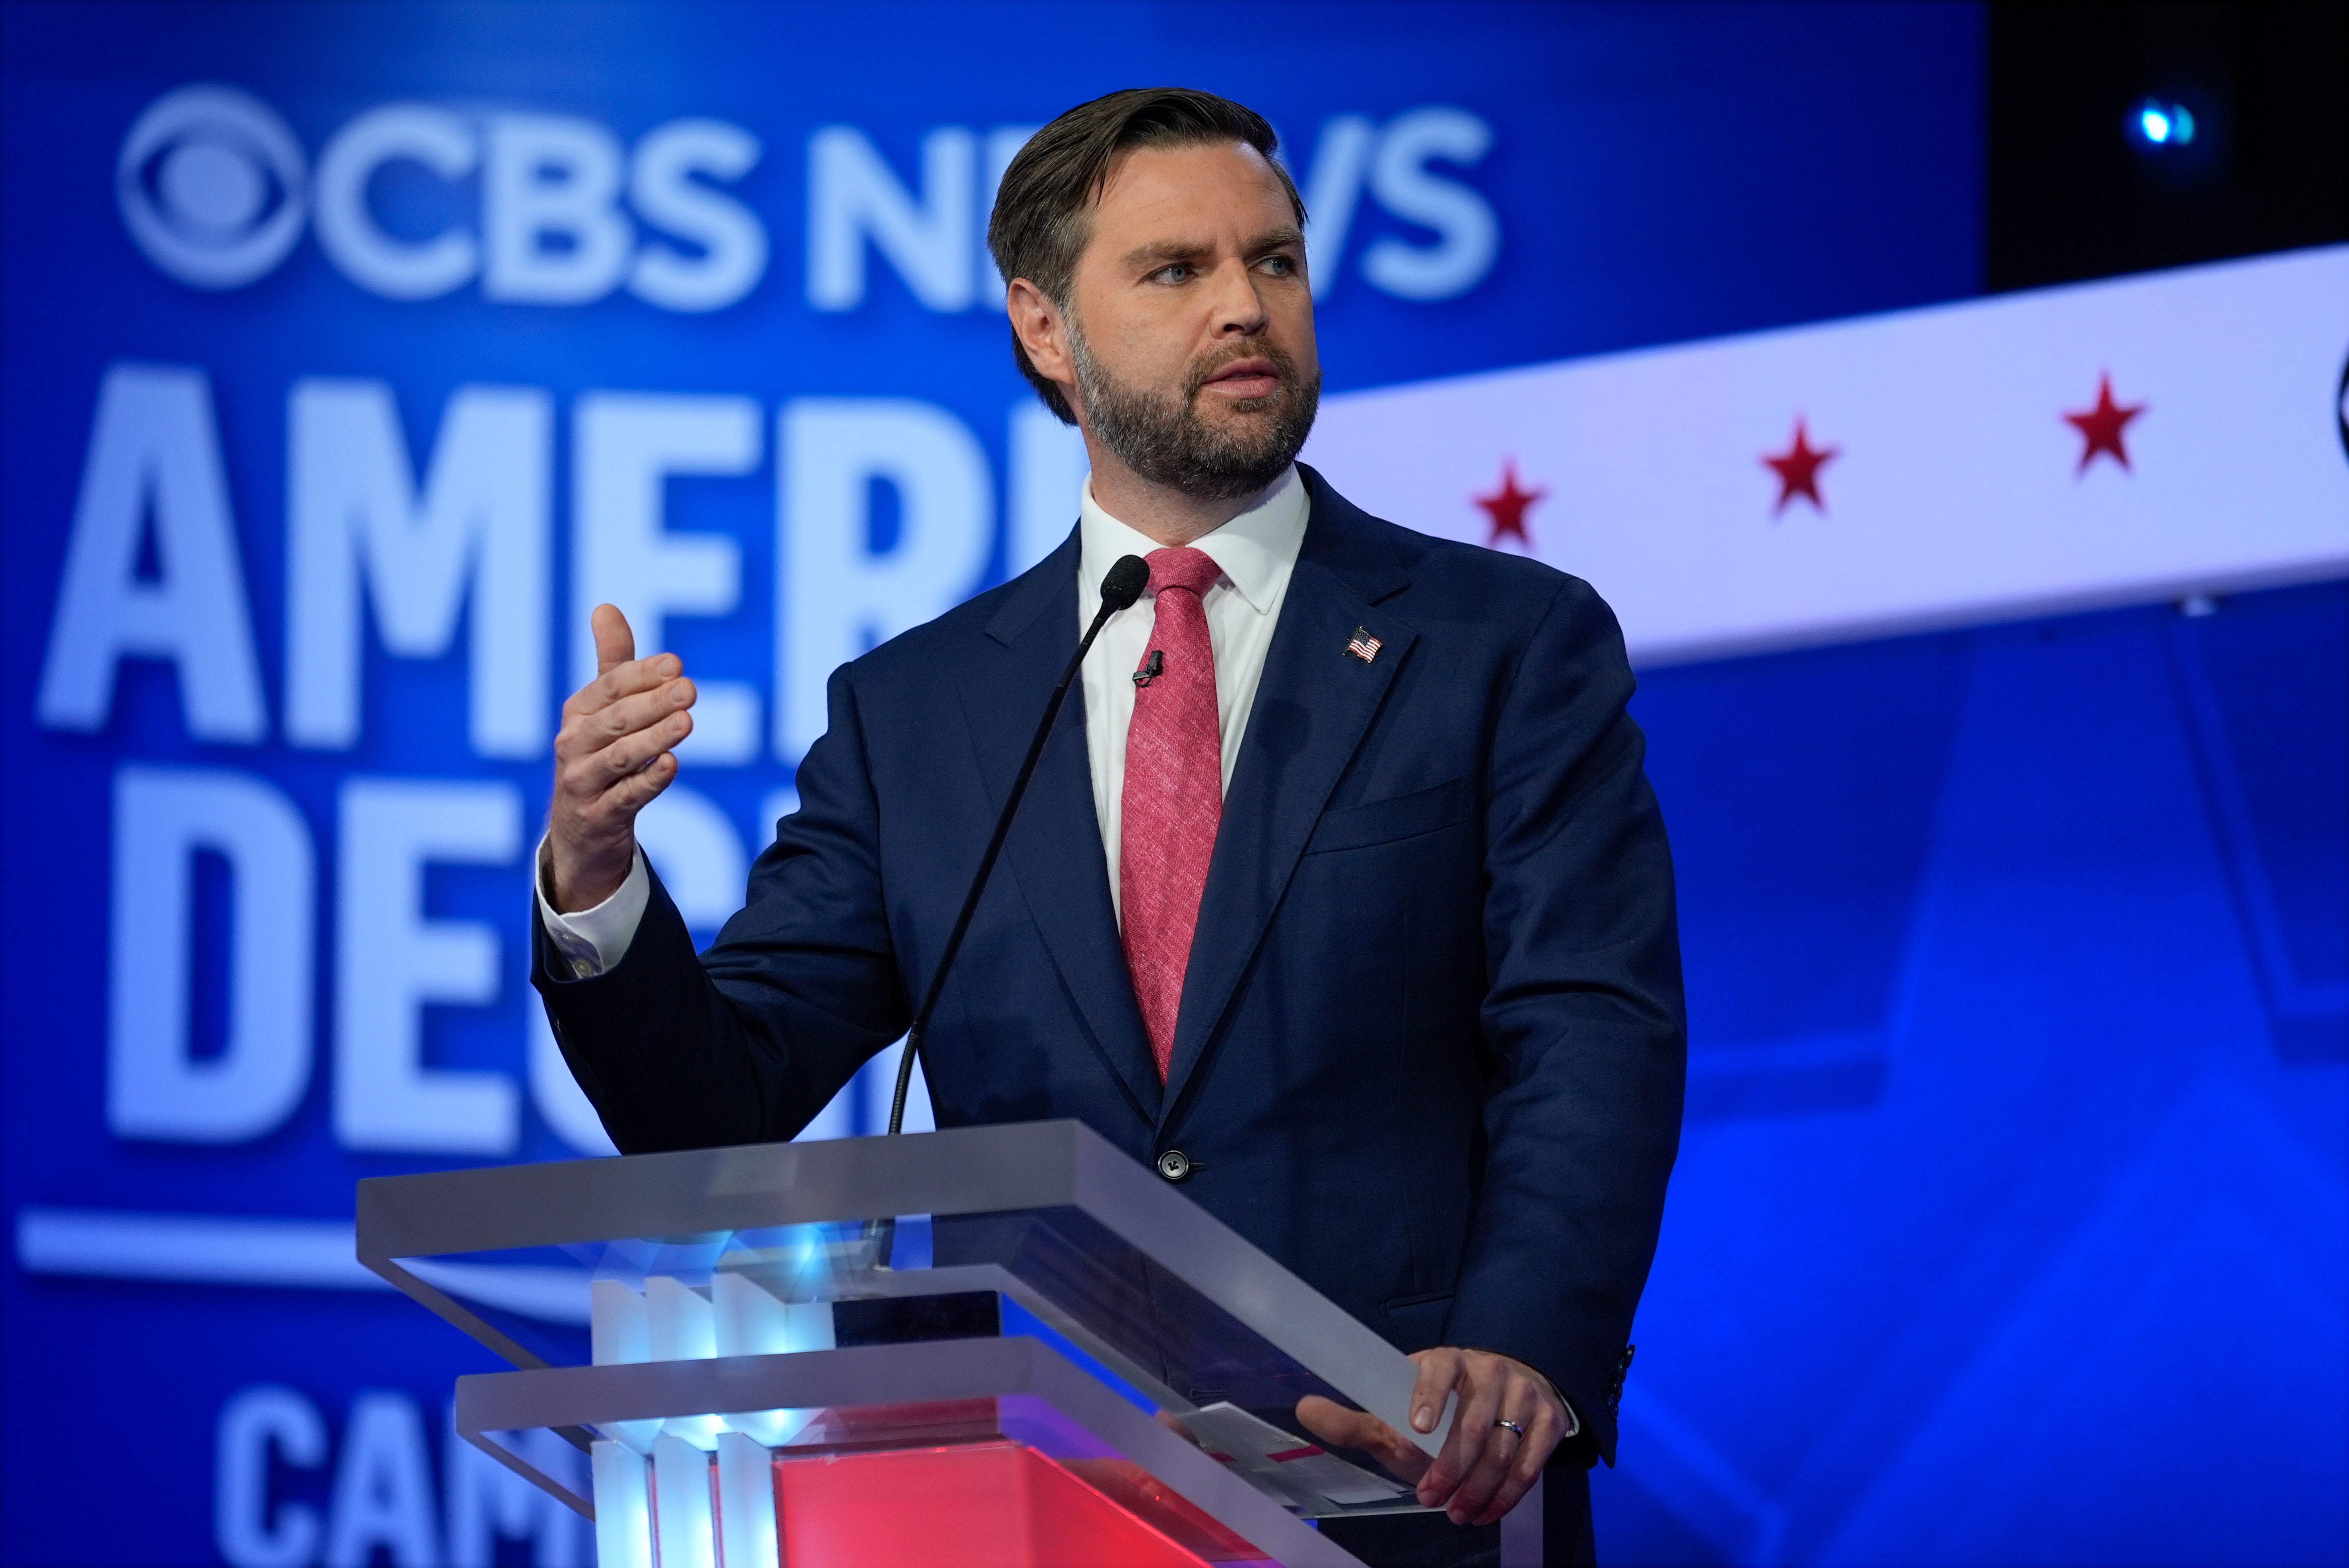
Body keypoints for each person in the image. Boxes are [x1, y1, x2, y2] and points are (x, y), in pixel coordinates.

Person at [534, 87, 1683, 1566]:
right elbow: (716, 1108)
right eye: (1175, 270)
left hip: (1409, 1479)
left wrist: (1523, 1346)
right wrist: (597, 873)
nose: (1246, 308)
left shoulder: (1503, 643)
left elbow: (1591, 1025)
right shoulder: (921, 711)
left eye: (1273, 261)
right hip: (1029, 1491)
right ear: (1043, 330)